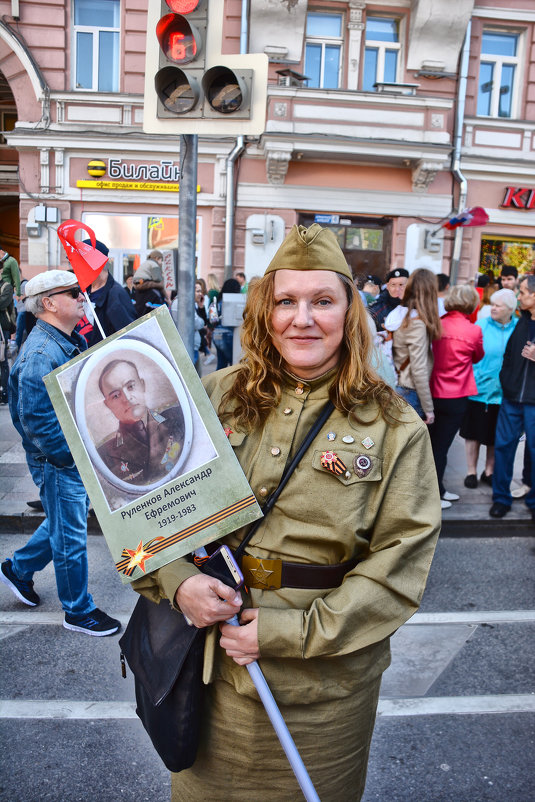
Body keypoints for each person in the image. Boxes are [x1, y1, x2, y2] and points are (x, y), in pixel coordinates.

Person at [132, 224, 441, 801]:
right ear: (263, 313)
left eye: (322, 301)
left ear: (349, 314)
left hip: (323, 693)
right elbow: (145, 511)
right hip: (211, 672)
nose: (303, 319)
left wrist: (287, 634)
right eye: (286, 301)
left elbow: (399, 565)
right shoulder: (213, 396)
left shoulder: (395, 426)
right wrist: (177, 584)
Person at [0, 270, 120, 636]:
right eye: (73, 293)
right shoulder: (40, 354)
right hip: (59, 458)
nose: (82, 297)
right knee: (70, 535)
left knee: (65, 522)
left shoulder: (63, 340)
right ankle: (78, 611)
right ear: (49, 304)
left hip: (67, 455)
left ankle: (18, 569)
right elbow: (37, 423)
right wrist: (72, 460)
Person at [428, 284, 484, 509]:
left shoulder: (435, 324)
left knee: (432, 444)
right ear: (471, 304)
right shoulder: (473, 330)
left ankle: (438, 489)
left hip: (431, 392)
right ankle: (435, 495)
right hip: (457, 395)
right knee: (441, 446)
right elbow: (477, 357)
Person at [460, 289, 518, 489]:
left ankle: (489, 471)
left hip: (504, 393)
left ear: (510, 309)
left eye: (497, 305)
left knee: (494, 435)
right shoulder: (481, 325)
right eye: (492, 304)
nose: (492, 308)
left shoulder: (518, 328)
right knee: (473, 433)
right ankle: (471, 472)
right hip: (479, 389)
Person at [96, 359, 185, 486]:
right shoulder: (105, 455)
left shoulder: (179, 417)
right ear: (108, 404)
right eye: (115, 395)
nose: (127, 398)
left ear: (142, 384)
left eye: (131, 386)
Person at [489, 275, 535, 521]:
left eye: (523, 292)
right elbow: (509, 356)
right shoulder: (522, 322)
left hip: (533, 403)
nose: (519, 297)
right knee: (504, 448)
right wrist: (506, 383)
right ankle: (501, 499)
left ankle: (533, 502)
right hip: (511, 399)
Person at [388, 268, 442, 423]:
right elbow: (419, 370)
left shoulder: (399, 316)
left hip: (397, 387)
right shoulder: (416, 324)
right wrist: (428, 409)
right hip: (409, 392)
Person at [77, 238, 137, 347]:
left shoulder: (116, 295)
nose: (76, 266)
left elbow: (128, 338)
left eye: (80, 261)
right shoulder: (83, 291)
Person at [212, 278, 242, 370]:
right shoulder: (234, 302)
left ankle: (216, 383)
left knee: (221, 365)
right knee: (235, 364)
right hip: (228, 334)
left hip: (216, 334)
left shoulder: (217, 301)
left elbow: (213, 319)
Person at [0, 274, 15, 403]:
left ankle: (4, 391)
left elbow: (2, 303)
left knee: (2, 360)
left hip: (2, 328)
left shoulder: (6, 287)